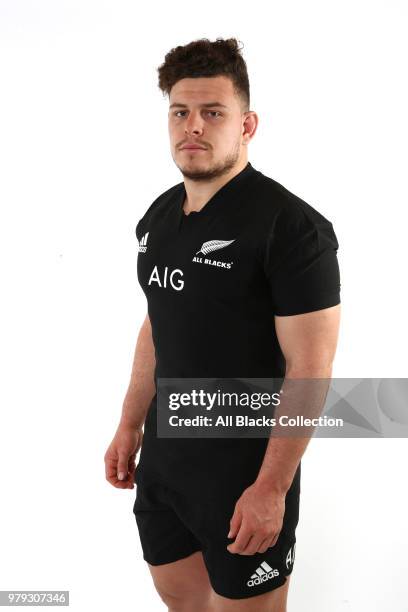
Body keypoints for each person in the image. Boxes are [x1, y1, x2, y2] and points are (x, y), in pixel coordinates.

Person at [104, 37, 341, 612]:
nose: (194, 127)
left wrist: (271, 488)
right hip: (164, 464)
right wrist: (129, 425)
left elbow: (311, 367)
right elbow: (157, 326)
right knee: (180, 600)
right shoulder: (158, 218)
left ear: (247, 124)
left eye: (214, 113)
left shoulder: (293, 229)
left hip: (245, 473)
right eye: (180, 112)